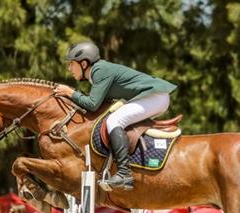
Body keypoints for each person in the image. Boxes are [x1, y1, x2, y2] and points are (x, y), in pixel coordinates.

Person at [54, 41, 177, 190]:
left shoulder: (99, 70)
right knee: (114, 117)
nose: (69, 68)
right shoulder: (98, 72)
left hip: (155, 97)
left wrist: (70, 92)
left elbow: (92, 104)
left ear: (84, 63)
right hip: (153, 97)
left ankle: (125, 174)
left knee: (114, 120)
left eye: (71, 64)